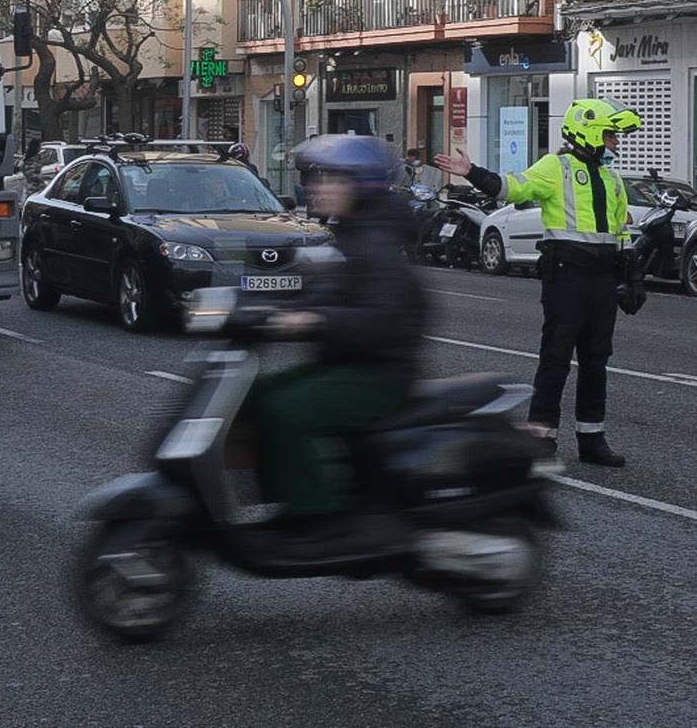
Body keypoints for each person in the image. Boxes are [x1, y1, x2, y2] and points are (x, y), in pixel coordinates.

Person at [239, 134, 428, 556]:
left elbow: (380, 319)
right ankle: (290, 499)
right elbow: (320, 290)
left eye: (330, 178)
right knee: (255, 395)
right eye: (316, 177)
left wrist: (315, 319)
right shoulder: (350, 233)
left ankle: (316, 517)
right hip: (344, 364)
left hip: (379, 375)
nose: (317, 187)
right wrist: (257, 309)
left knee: (287, 409)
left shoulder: (377, 243)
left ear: (360, 185)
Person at [435, 98, 640, 467]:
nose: (615, 144)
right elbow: (512, 188)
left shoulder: (612, 178)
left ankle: (592, 439)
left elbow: (619, 229)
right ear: (590, 132)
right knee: (556, 358)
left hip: (602, 282)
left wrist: (631, 276)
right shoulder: (555, 167)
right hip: (567, 279)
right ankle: (542, 436)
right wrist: (473, 172)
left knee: (597, 361)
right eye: (610, 136)